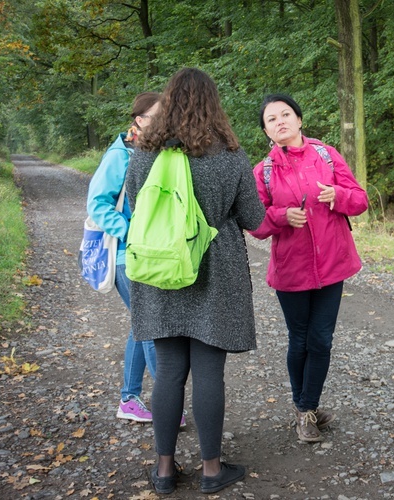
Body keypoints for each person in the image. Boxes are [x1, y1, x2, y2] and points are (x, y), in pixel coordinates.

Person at [126, 68, 265, 495]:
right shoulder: (229, 154)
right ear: (213, 104)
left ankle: (164, 471)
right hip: (214, 270)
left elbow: (136, 205)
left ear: (167, 102)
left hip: (161, 268)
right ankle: (210, 470)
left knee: (167, 371)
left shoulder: (145, 154)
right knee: (208, 373)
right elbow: (254, 219)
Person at [249, 93, 368, 443]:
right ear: (267, 131)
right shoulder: (263, 171)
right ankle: (305, 410)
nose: (280, 121)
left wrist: (338, 196)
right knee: (299, 339)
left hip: (332, 264)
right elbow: (255, 223)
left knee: (321, 339)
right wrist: (282, 217)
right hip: (292, 270)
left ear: (299, 120)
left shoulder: (326, 155)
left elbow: (359, 199)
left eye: (286, 114)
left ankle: (307, 407)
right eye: (272, 119)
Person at [86, 92, 178, 425]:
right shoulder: (120, 154)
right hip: (128, 255)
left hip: (150, 255)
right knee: (152, 327)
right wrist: (131, 230)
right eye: (158, 117)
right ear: (139, 121)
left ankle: (129, 398)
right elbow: (97, 204)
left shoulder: (155, 150)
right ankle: (168, 407)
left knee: (142, 324)